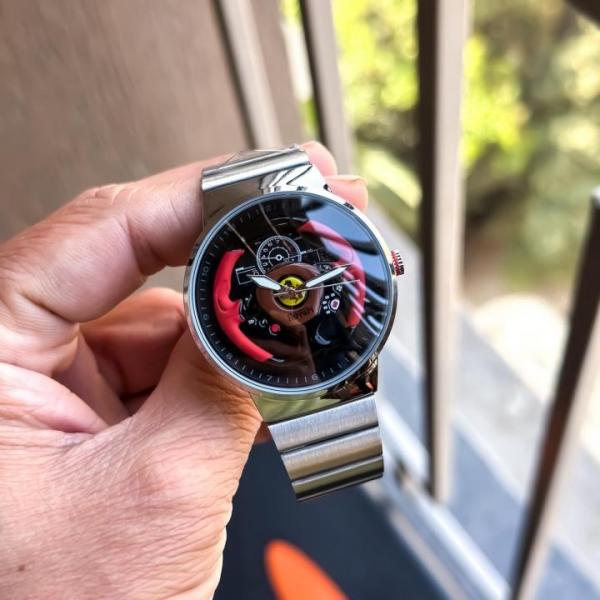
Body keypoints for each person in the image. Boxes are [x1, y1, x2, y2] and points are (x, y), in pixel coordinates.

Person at [0, 142, 368, 599]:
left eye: (302, 285)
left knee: (338, 468)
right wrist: (241, 362)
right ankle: (340, 473)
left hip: (321, 358)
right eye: (280, 286)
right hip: (296, 354)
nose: (291, 292)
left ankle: (340, 468)